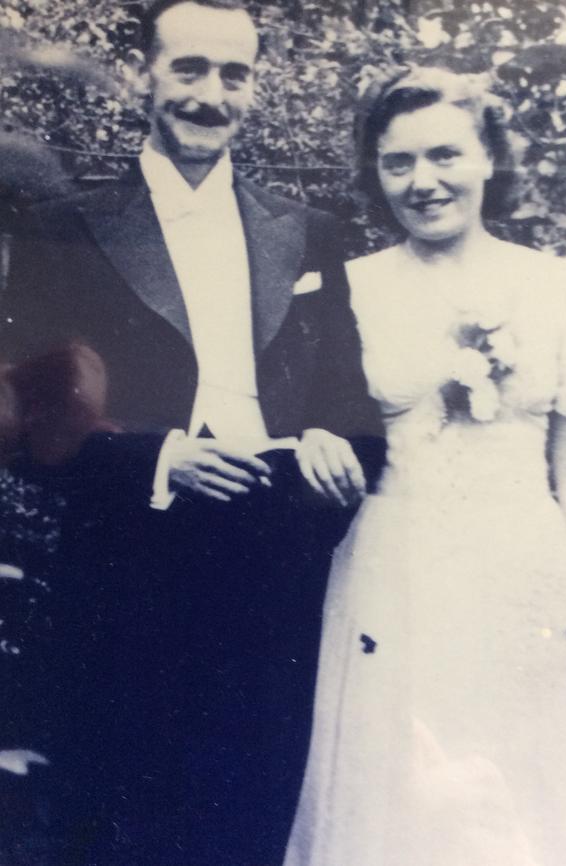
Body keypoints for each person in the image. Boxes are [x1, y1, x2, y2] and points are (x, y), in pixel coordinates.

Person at [1, 2, 383, 863]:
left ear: (256, 86)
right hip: (126, 577)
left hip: (274, 576)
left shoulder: (310, 232)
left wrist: (333, 441)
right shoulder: (69, 227)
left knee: (252, 817)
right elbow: (30, 407)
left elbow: (358, 412)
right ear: (143, 75)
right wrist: (160, 457)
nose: (212, 95)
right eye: (189, 69)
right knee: (122, 821)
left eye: (234, 74)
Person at [285, 66, 566, 866]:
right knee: (401, 807)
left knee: (534, 803)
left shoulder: (557, 288)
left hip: (528, 582)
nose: (425, 182)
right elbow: (312, 417)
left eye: (446, 155)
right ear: (375, 174)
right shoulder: (349, 290)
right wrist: (312, 435)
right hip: (397, 578)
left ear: (488, 156)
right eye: (399, 163)